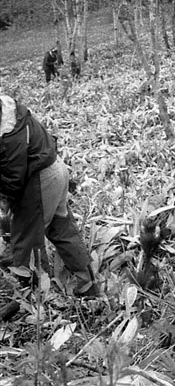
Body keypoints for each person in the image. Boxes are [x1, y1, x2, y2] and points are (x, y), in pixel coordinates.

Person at [0, 95, 97, 297]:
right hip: (54, 167)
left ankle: (38, 298)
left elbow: (13, 180)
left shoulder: (9, 136)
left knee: (27, 242)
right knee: (61, 228)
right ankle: (87, 284)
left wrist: (6, 200)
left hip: (41, 179)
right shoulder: (11, 111)